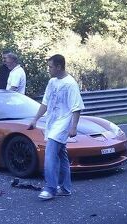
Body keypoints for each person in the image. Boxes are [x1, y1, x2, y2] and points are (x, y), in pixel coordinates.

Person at [27, 54, 84, 200]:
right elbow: (45, 103)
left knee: (50, 154)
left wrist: (74, 127)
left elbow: (76, 107)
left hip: (63, 124)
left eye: (51, 67)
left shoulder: (70, 84)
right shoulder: (52, 82)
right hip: (52, 123)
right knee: (61, 155)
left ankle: (50, 188)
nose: (49, 69)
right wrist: (35, 120)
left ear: (59, 67)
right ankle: (65, 188)